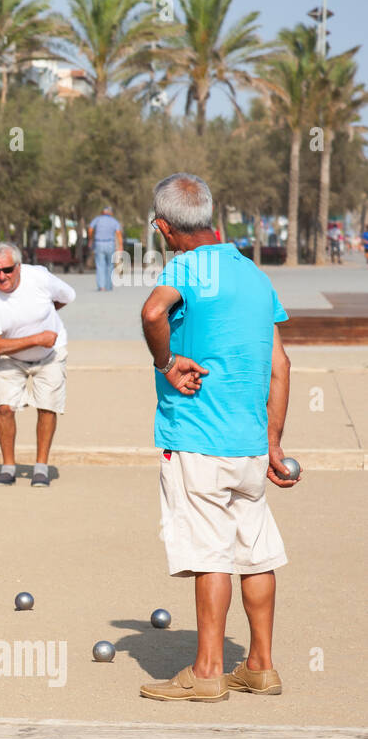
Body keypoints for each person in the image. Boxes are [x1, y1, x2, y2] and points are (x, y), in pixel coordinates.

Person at [138, 172, 296, 703]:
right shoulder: (254, 275)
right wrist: (273, 442)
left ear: (164, 226)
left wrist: (166, 361)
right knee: (256, 553)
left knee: (211, 555)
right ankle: (260, 666)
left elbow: (153, 311)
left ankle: (207, 672)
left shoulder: (184, 267)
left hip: (198, 439)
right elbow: (280, 364)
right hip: (250, 444)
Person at [0, 242, 74, 487]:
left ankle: (41, 467)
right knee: (4, 408)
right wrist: (37, 337)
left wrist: (45, 314)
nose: (1, 276)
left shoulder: (39, 278)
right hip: (10, 356)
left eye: (7, 269)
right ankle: (8, 467)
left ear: (18, 266)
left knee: (47, 406)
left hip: (51, 353)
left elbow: (68, 296)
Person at [87, 206, 122, 292]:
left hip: (99, 243)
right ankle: (108, 286)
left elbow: (90, 229)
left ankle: (101, 286)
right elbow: (118, 234)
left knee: (100, 265)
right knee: (110, 265)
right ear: (110, 213)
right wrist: (120, 246)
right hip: (110, 244)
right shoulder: (114, 221)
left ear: (102, 212)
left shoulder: (97, 219)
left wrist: (91, 238)